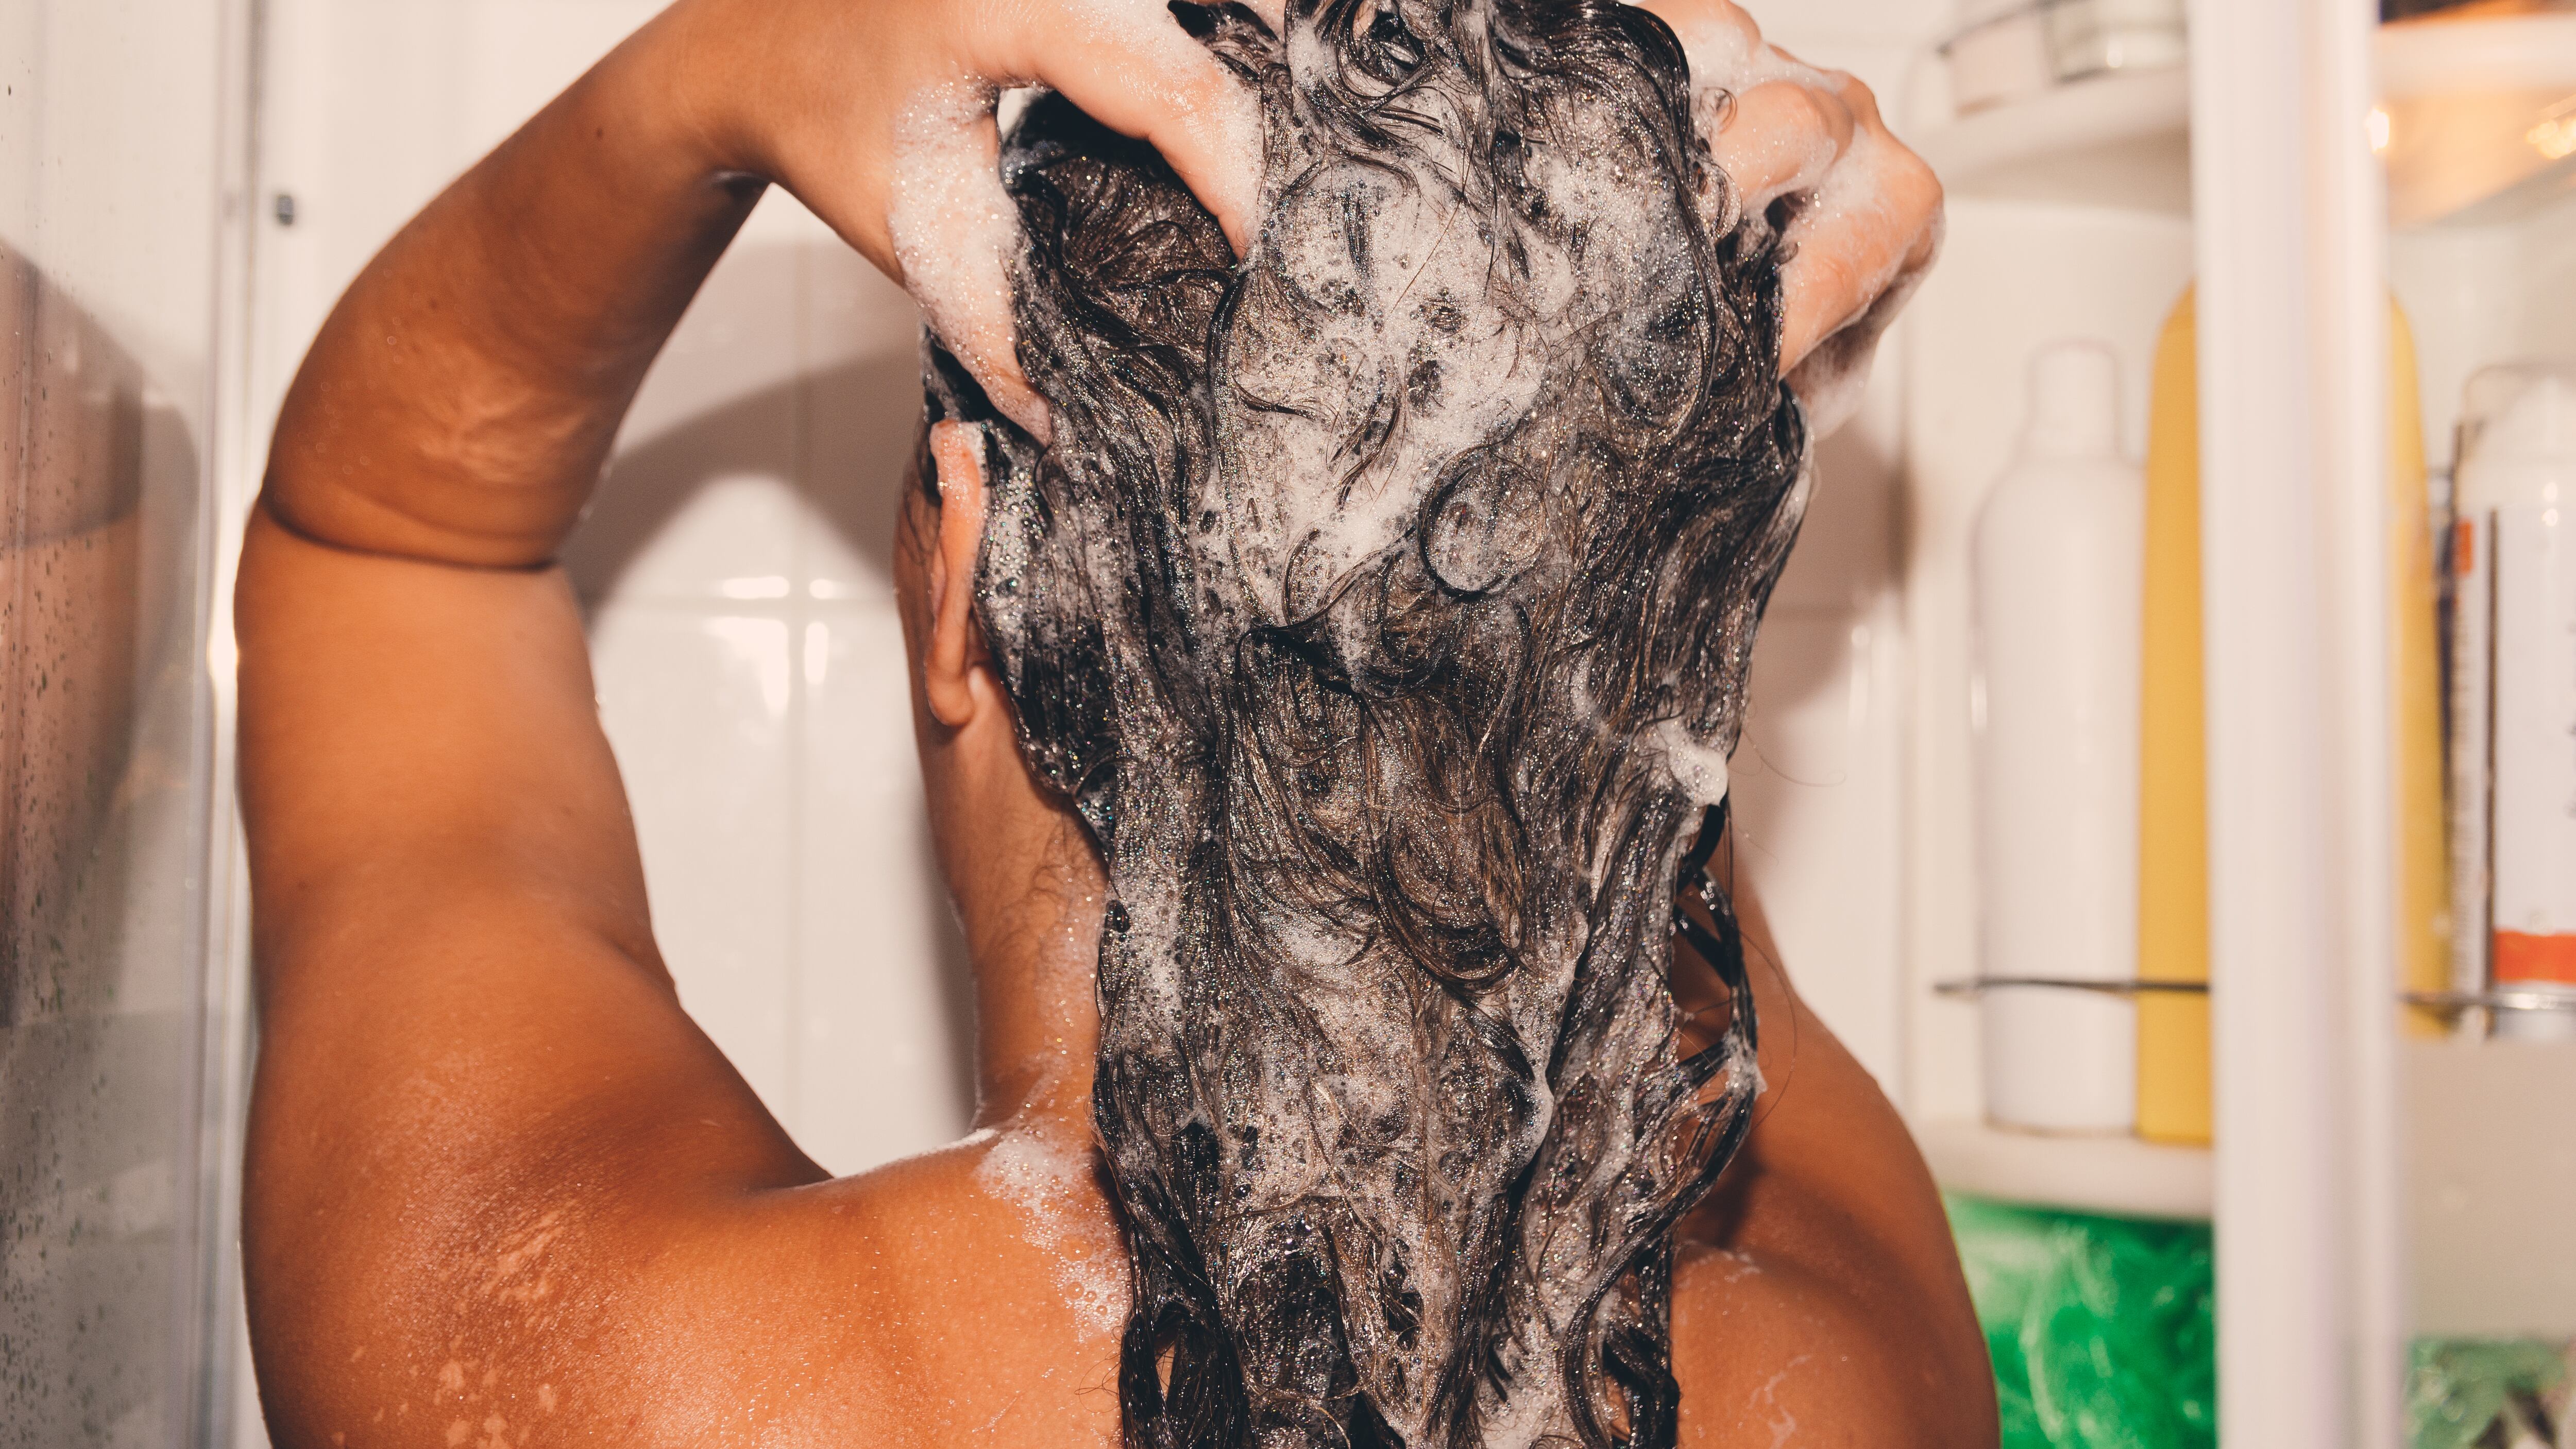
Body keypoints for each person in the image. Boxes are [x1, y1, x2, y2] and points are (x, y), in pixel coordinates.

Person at [235, 0, 1984, 1443]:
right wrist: (1635, 464)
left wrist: (723, 67)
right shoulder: (1826, 1397)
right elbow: (1608, 746)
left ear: (960, 577)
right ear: (1635, 641)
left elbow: (383, 552)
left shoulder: (609, 1373)